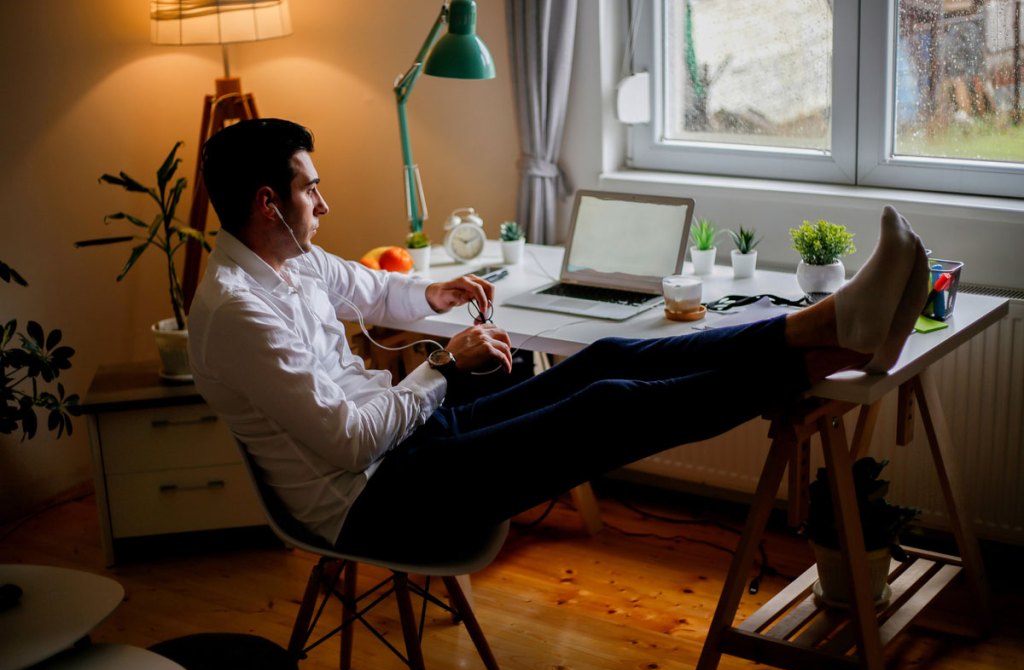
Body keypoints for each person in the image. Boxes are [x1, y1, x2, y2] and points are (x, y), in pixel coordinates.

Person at [188, 118, 929, 559]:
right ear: (267, 203)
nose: (324, 202)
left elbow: (370, 287)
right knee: (604, 405)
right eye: (309, 189)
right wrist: (443, 367)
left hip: (408, 450)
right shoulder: (236, 314)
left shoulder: (288, 254)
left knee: (602, 356)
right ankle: (834, 348)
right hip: (374, 500)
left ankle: (826, 325)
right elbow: (348, 441)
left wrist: (432, 293)